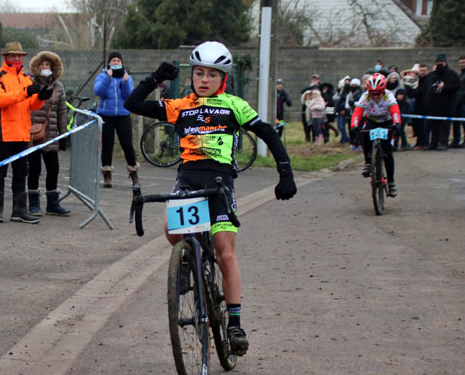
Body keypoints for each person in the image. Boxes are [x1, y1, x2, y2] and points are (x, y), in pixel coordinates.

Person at [124, 41, 297, 357]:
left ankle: (234, 323)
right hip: (188, 179)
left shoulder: (234, 105)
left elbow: (269, 134)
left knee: (226, 254)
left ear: (223, 79)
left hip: (220, 184)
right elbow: (132, 104)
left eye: (212, 75)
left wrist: (285, 173)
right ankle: (191, 263)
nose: (204, 79)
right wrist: (155, 79)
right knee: (173, 233)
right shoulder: (181, 105)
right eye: (199, 73)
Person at [0, 41, 49, 223]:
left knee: (21, 172)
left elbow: (32, 105)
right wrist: (26, 92)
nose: (16, 58)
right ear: (5, 57)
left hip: (22, 133)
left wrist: (41, 98)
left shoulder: (27, 78)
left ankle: (19, 210)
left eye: (19, 56)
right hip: (3, 133)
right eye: (12, 55)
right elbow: (0, 100)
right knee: (0, 172)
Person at [26, 51, 71, 217]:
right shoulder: (30, 83)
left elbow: (62, 112)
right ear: (37, 67)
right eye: (42, 65)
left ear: (53, 67)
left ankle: (53, 203)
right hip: (33, 134)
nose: (45, 67)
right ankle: (34, 203)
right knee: (34, 169)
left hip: (51, 134)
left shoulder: (59, 87)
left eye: (48, 65)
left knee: (53, 169)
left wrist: (64, 135)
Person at [350, 73, 401, 197]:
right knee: (365, 136)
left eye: (378, 93)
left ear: (383, 91)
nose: (375, 96)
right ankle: (368, 162)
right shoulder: (365, 96)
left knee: (388, 153)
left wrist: (397, 123)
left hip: (387, 122)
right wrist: (354, 125)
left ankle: (391, 182)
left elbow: (394, 110)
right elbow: (357, 112)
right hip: (372, 121)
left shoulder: (388, 96)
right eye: (373, 93)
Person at [94, 51, 139, 187]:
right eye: (113, 61)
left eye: (118, 61)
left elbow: (128, 96)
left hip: (123, 115)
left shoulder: (127, 77)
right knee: (107, 145)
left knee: (127, 145)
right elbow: (98, 92)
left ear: (122, 63)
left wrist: (125, 82)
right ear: (108, 63)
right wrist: (108, 78)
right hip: (106, 115)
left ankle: (134, 174)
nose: (115, 63)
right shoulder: (102, 76)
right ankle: (107, 175)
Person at [424, 53, 460, 151]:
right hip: (433, 105)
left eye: (442, 62)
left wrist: (445, 87)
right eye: (438, 62)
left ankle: (443, 143)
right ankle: (433, 143)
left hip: (446, 105)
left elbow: (457, 86)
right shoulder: (431, 75)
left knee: (445, 126)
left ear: (445, 62)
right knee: (434, 126)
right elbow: (426, 88)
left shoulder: (452, 74)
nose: (440, 64)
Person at [452, 56, 465, 148]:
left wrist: (460, 97)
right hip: (458, 102)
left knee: (464, 121)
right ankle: (456, 140)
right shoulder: (461, 74)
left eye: (463, 62)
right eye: (460, 63)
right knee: (456, 122)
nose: (461, 64)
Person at [300, 74, 321, 142]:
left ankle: (315, 138)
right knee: (306, 124)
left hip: (315, 108)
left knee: (314, 124)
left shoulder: (319, 87)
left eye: (316, 79)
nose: (314, 81)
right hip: (306, 108)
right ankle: (307, 137)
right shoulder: (309, 87)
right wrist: (310, 86)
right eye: (313, 79)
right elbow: (302, 91)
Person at [334, 76, 352, 143]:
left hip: (343, 111)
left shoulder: (348, 92)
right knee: (340, 126)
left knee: (342, 126)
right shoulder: (342, 92)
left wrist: (343, 109)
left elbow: (346, 102)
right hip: (339, 111)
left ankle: (344, 139)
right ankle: (344, 138)